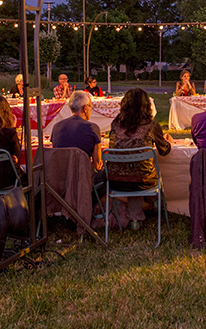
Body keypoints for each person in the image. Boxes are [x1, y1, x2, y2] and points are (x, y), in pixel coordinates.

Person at [107, 88, 173, 228]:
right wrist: (168, 142)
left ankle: (136, 219)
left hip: (115, 179)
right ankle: (156, 204)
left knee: (133, 172)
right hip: (143, 179)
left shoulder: (115, 124)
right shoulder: (151, 125)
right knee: (141, 173)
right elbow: (164, 151)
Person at [52, 91, 103, 174]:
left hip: (60, 176)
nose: (91, 109)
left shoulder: (56, 127)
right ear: (85, 108)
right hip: (82, 177)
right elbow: (97, 165)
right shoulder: (92, 128)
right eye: (90, 106)